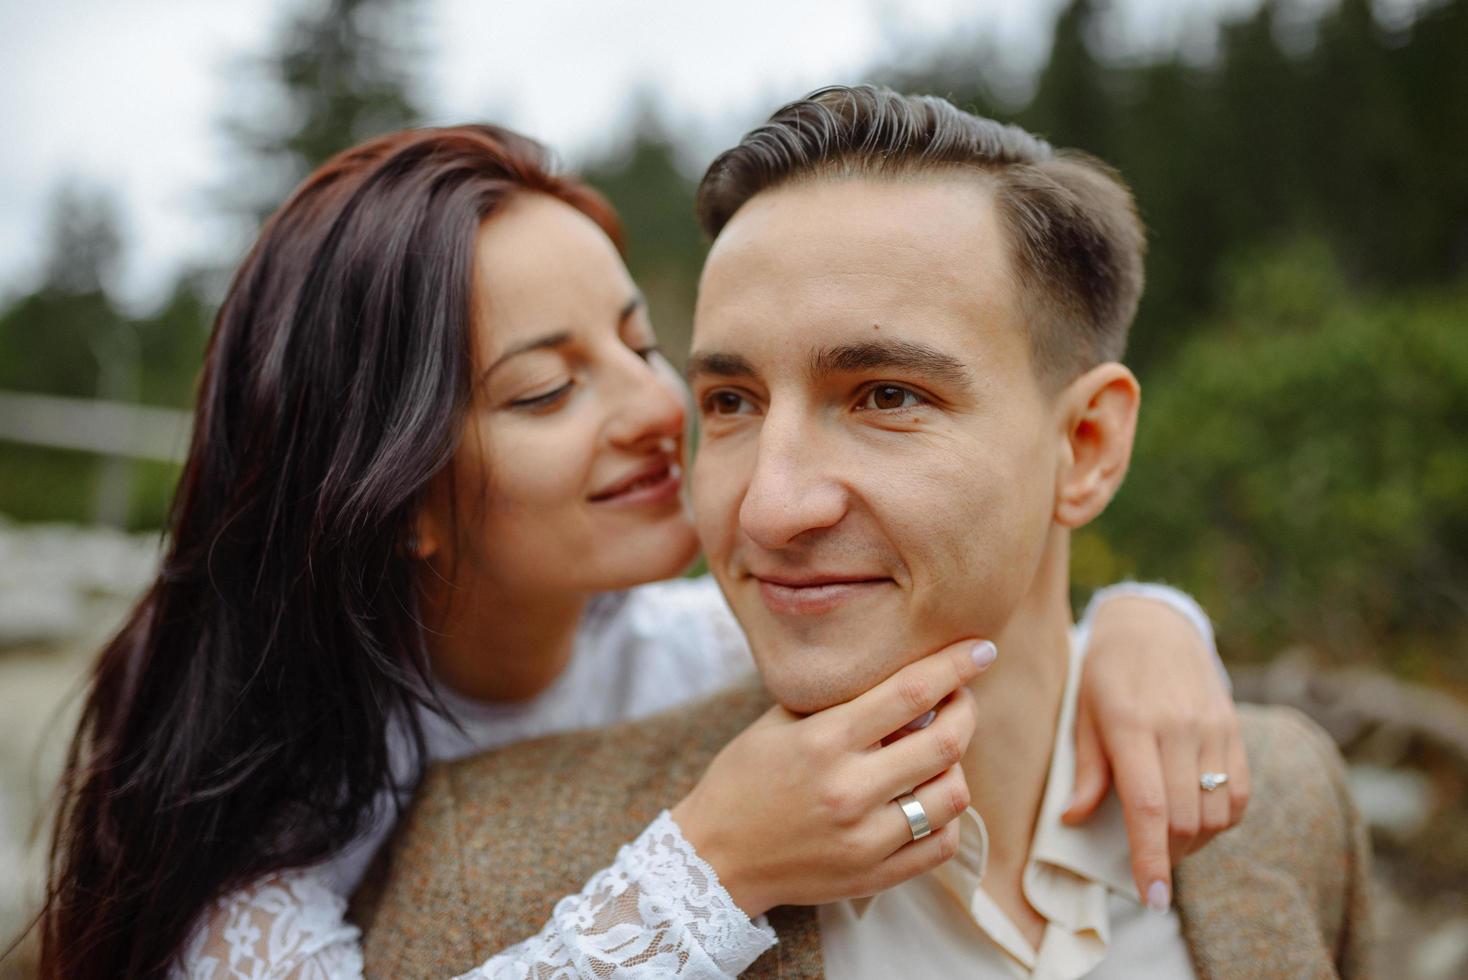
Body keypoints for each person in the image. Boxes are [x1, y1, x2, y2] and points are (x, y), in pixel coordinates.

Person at [36, 124, 1240, 980]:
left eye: (640, 342)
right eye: (547, 389)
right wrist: (708, 866)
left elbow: (965, 617)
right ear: (399, 493)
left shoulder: (683, 635)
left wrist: (1147, 622)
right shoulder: (277, 819)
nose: (660, 411)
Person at [352, 88, 1372, 978]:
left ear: (1088, 446)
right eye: (732, 400)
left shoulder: (1286, 797)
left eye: (884, 394)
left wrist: (1153, 614)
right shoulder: (486, 857)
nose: (767, 507)